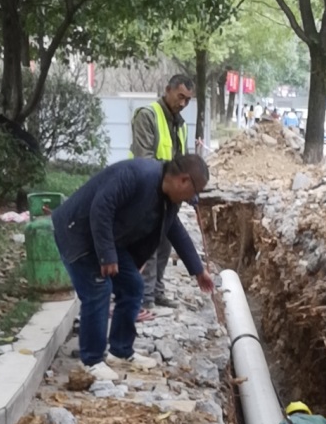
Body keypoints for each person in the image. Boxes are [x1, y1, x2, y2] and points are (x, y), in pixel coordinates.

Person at [51, 154, 213, 372]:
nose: (192, 198)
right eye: (195, 192)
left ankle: (121, 350)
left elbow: (174, 230)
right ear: (183, 180)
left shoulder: (168, 199)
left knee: (132, 286)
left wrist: (198, 270)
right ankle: (91, 361)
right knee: (98, 289)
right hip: (78, 233)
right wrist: (107, 255)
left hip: (108, 239)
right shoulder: (139, 175)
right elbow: (101, 208)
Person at [130, 73, 195, 315]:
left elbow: (183, 160)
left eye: (188, 100)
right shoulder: (148, 116)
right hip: (147, 191)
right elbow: (144, 158)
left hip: (170, 194)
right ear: (167, 90)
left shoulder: (180, 124)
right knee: (149, 244)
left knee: (166, 244)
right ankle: (145, 297)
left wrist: (190, 186)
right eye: (180, 97)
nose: (183, 103)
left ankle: (156, 291)